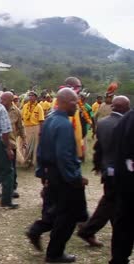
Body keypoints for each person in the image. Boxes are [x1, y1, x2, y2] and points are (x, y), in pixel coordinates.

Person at [37, 88, 89, 263]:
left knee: (57, 210)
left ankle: (36, 231)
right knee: (67, 216)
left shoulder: (50, 119)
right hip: (64, 176)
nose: (77, 106)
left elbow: (41, 149)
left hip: (52, 173)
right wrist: (75, 177)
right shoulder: (64, 124)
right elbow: (64, 155)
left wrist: (41, 172)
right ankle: (54, 253)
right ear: (64, 102)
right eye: (75, 103)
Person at [77, 96, 130, 247]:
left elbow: (99, 147)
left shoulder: (102, 123)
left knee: (113, 201)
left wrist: (99, 164)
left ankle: (115, 229)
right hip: (121, 171)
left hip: (107, 168)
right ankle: (87, 230)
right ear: (126, 107)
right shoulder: (126, 124)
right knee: (110, 202)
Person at [0, 92, 27, 198]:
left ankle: (11, 189)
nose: (1, 101)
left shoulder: (17, 112)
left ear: (11, 100)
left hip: (11, 143)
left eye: (4, 100)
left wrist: (24, 139)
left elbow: (20, 126)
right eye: (1, 99)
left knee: (11, 168)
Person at [110, 108, 134, 264]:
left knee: (123, 222)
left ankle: (119, 258)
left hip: (124, 182)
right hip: (128, 181)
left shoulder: (126, 119)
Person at [22, 90, 45, 167]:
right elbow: (22, 117)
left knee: (35, 146)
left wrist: (41, 131)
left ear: (36, 97)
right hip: (26, 128)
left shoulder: (39, 107)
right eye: (29, 95)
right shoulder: (25, 106)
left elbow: (41, 120)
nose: (30, 97)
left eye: (32, 95)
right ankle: (25, 161)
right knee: (26, 145)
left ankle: (33, 162)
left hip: (35, 128)